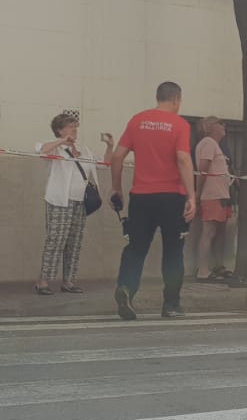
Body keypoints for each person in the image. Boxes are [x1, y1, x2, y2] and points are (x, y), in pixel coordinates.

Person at [107, 81, 197, 320]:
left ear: (158, 98)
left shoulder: (137, 120)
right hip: (172, 198)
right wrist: (192, 196)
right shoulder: (180, 124)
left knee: (136, 248)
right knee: (173, 252)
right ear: (177, 100)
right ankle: (171, 305)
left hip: (141, 197)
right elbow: (183, 159)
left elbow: (117, 156)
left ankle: (126, 288)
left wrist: (116, 188)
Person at [34, 113, 110, 295]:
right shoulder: (55, 149)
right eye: (69, 126)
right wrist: (61, 141)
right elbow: (41, 150)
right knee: (56, 240)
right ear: (60, 130)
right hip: (60, 200)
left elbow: (104, 164)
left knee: (74, 242)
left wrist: (110, 146)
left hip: (80, 202)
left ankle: (68, 281)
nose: (74, 129)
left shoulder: (84, 149)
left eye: (75, 126)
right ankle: (43, 281)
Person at [192, 116, 235, 282]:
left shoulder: (214, 145)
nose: (224, 126)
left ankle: (218, 266)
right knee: (209, 231)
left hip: (222, 195)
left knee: (220, 233)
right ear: (209, 126)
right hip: (212, 195)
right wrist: (198, 194)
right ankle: (203, 271)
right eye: (220, 123)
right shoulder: (208, 143)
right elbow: (203, 170)